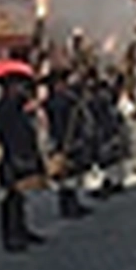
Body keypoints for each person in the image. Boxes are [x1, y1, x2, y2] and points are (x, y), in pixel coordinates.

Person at [0, 71, 47, 252]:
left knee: (20, 195)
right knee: (10, 196)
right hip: (10, 154)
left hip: (21, 152)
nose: (20, 89)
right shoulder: (3, 107)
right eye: (17, 86)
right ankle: (10, 236)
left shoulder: (16, 105)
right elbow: (7, 132)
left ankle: (21, 229)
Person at [45, 68, 95, 218]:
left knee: (71, 173)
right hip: (65, 139)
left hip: (68, 138)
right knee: (67, 173)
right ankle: (68, 206)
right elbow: (60, 123)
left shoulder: (61, 100)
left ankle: (71, 203)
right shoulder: (59, 101)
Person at [89, 69, 129, 200]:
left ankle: (111, 182)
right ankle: (113, 182)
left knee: (109, 158)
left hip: (105, 131)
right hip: (107, 131)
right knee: (110, 158)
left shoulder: (97, 101)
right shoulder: (104, 101)